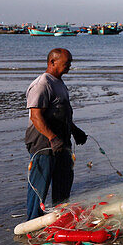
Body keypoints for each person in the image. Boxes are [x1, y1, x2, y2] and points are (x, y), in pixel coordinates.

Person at [24, 48, 88, 220]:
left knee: (64, 182)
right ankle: (33, 221)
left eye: (70, 63)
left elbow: (61, 114)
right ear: (52, 62)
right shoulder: (42, 84)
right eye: (67, 63)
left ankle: (60, 218)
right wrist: (52, 138)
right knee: (39, 186)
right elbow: (36, 116)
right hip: (43, 143)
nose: (69, 66)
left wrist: (75, 131)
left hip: (62, 141)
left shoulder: (59, 83)